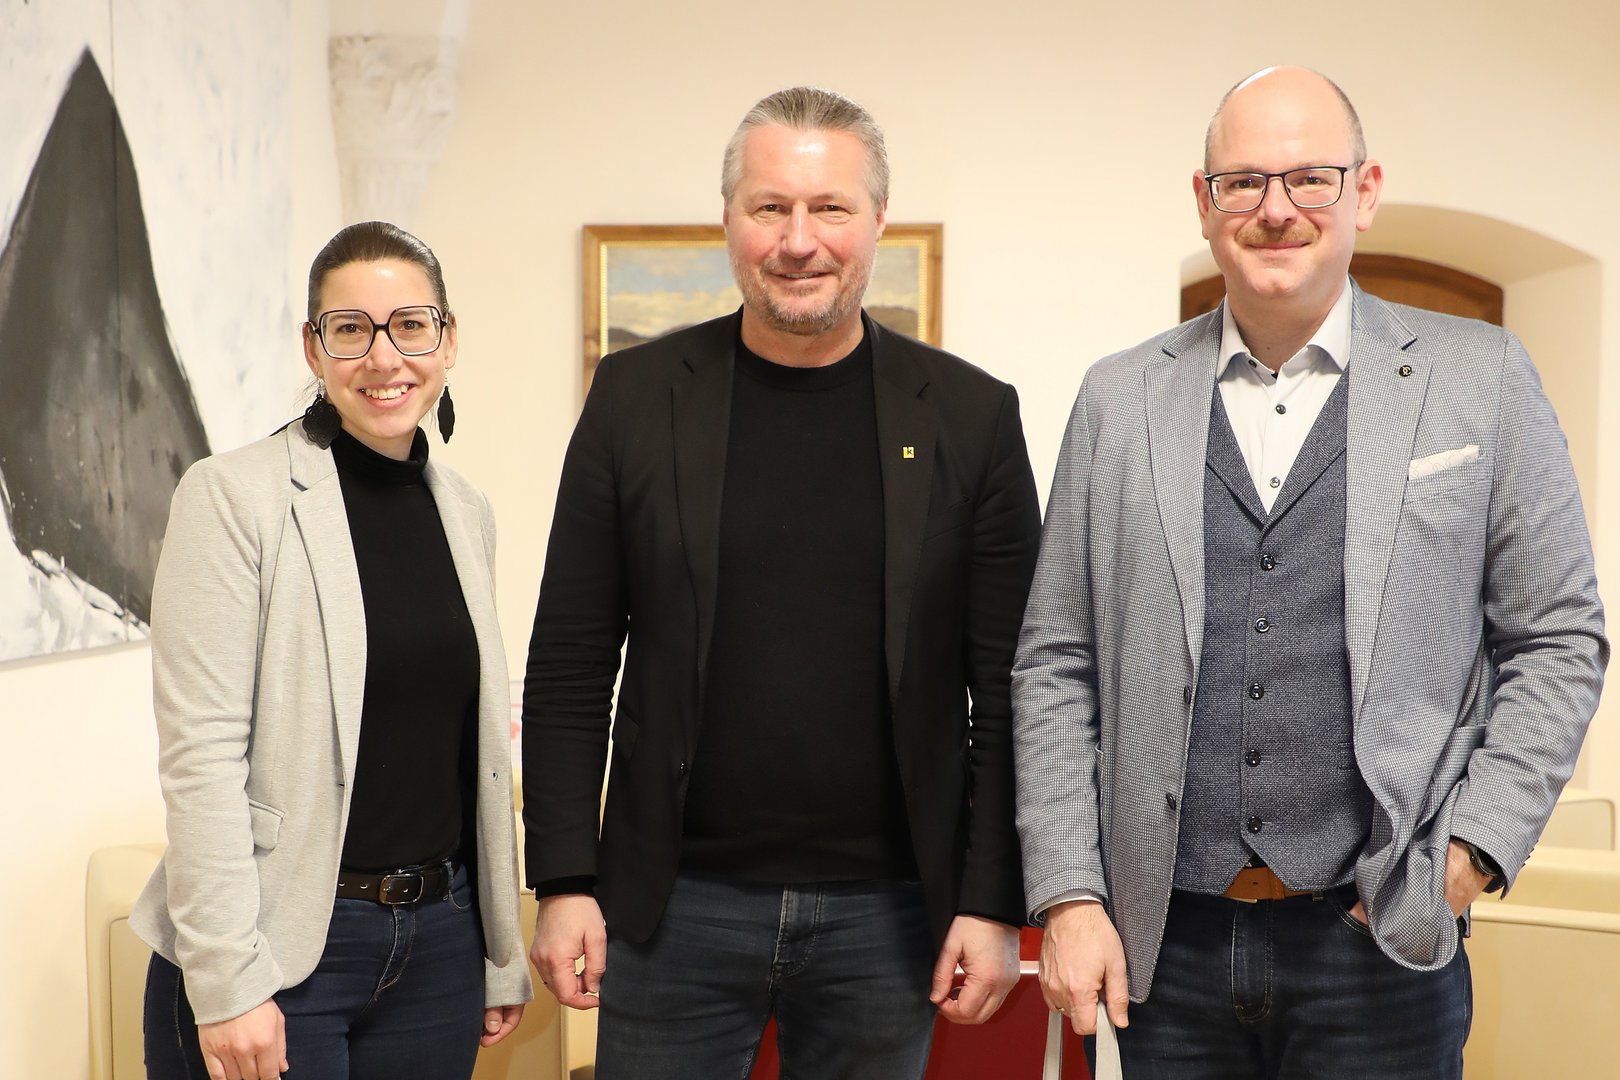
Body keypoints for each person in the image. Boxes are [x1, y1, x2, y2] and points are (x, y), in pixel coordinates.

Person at [1012, 65, 1608, 1079]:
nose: (1276, 208)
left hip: (1380, 939)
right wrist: (1069, 896)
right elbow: (1056, 664)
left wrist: (1468, 856)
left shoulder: (1481, 379)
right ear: (1204, 202)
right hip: (1168, 949)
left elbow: (1559, 638)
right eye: (1243, 181)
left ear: (1364, 191)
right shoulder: (1118, 399)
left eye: (1310, 179)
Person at [522, 86, 1041, 1079]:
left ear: (877, 219)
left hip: (890, 917)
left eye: (829, 208)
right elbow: (572, 660)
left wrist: (991, 901)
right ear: (729, 219)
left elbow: (1012, 687)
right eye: (770, 208)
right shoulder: (635, 399)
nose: (799, 241)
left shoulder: (971, 417)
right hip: (672, 910)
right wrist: (563, 879)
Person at [132, 221, 531, 1080]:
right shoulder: (233, 498)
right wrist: (227, 984)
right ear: (314, 349)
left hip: (439, 947)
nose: (384, 357)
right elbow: (201, 758)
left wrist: (497, 951)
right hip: (277, 949)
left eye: (410, 325)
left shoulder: (467, 511)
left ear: (448, 340)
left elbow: (473, 755)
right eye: (351, 329)